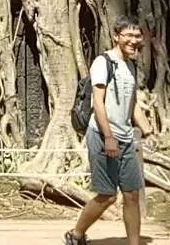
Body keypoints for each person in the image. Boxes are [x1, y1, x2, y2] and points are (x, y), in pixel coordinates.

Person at [66, 16, 146, 245]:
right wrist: (108, 137)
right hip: (102, 136)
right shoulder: (103, 62)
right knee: (108, 195)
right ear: (116, 36)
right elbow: (98, 103)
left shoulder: (131, 65)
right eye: (128, 35)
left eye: (137, 36)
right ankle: (76, 234)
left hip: (126, 137)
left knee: (132, 195)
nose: (133, 40)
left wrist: (149, 131)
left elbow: (132, 104)